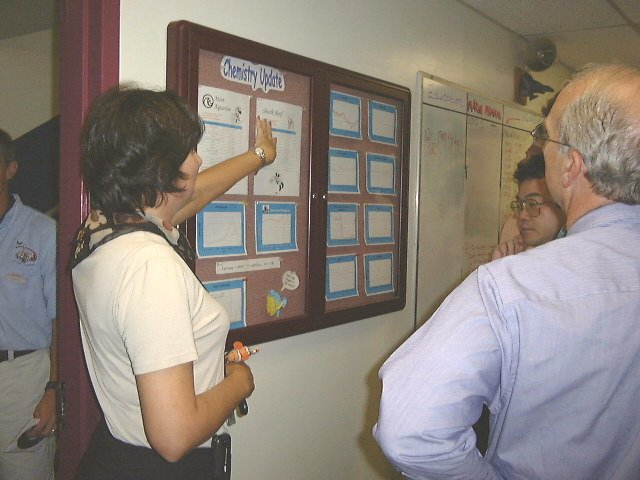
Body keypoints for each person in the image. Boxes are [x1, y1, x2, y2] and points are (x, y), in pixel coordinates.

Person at [374, 63, 640, 479]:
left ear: (570, 166)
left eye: (545, 136)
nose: (540, 149)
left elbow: (411, 431)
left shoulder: (508, 287)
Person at [71, 85, 277, 479]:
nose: (199, 160)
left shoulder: (101, 232)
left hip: (117, 457)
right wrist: (238, 382)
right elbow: (174, 436)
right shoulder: (150, 266)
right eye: (190, 151)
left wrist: (259, 156)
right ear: (161, 169)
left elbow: (192, 195)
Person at [0, 128, 58, 479]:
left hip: (22, 376)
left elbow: (61, 322)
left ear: (10, 169)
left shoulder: (43, 232)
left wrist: (54, 390)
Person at [491, 153, 565, 260]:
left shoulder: (573, 258)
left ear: (560, 203)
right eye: (520, 205)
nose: (522, 216)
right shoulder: (519, 254)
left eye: (532, 204)